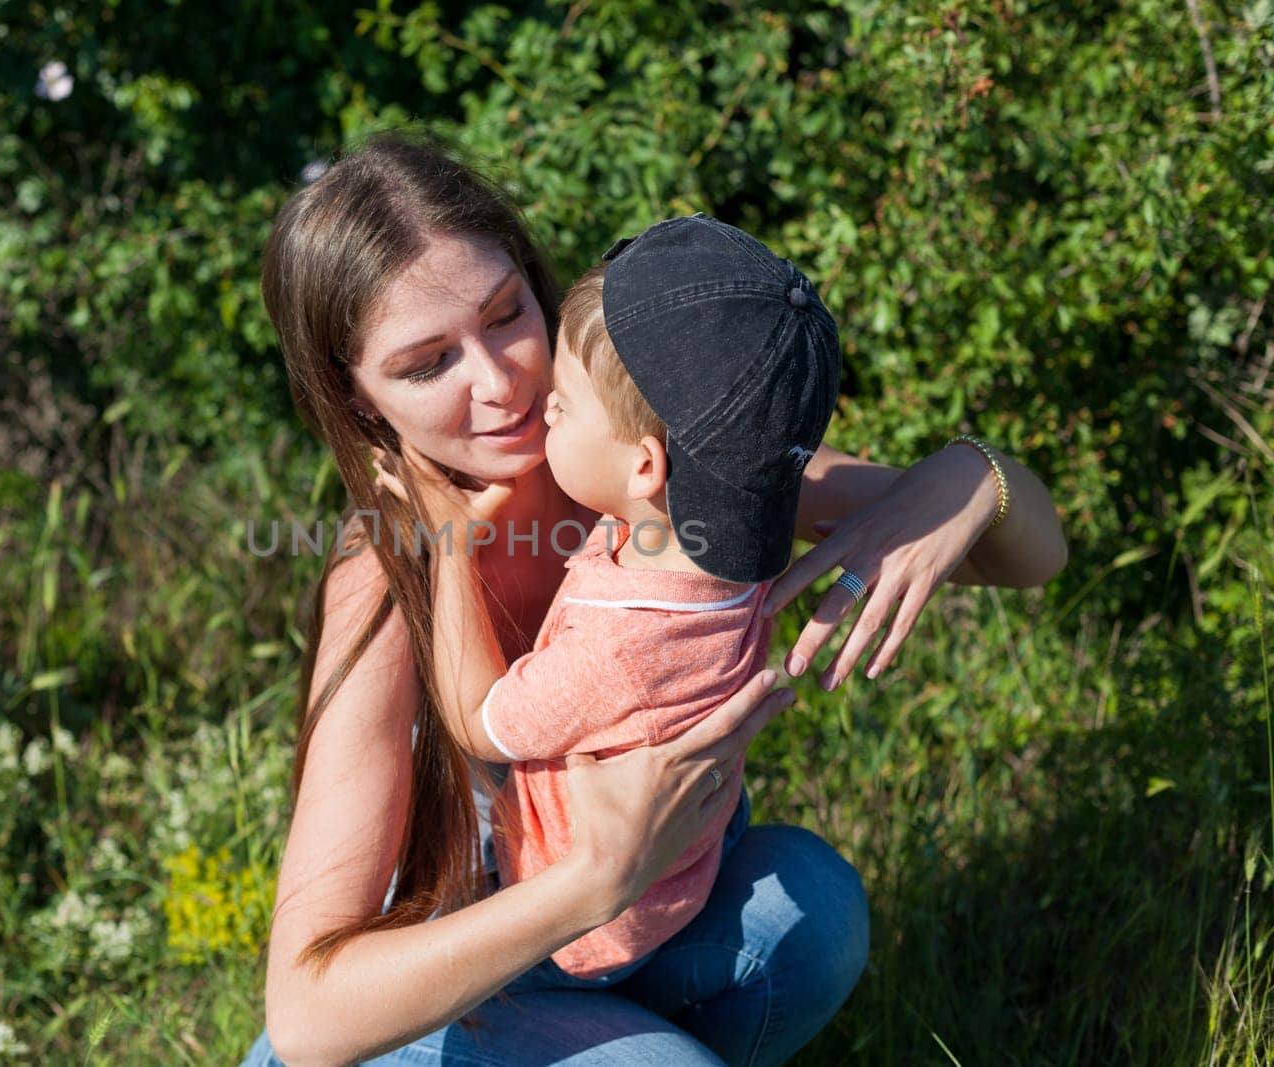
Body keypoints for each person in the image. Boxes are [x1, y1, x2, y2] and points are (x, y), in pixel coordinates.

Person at [242, 134, 1067, 1067]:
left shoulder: (654, 472)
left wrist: (966, 476)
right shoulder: (385, 582)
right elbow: (308, 1019)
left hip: (610, 945)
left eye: (507, 313)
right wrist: (597, 876)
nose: (501, 379)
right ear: (358, 403)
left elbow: (1032, 555)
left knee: (816, 914)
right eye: (427, 365)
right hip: (426, 1007)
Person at [377, 214, 843, 984]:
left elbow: (478, 720)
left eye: (562, 401)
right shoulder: (739, 539)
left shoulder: (620, 649)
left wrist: (451, 545)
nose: (540, 405)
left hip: (581, 925)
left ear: (645, 466)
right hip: (683, 872)